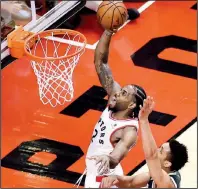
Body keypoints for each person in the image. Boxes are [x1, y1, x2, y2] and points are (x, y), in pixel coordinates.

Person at [75, 28, 147, 188]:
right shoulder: (114, 99)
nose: (116, 94)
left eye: (124, 93)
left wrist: (109, 159)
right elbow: (100, 62)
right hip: (96, 172)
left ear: (131, 105)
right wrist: (108, 31)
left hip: (105, 179)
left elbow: (118, 154)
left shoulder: (129, 131)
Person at [101, 96, 188, 188]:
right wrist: (115, 178)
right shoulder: (157, 174)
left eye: (161, 151)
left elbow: (152, 155)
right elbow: (130, 182)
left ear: (167, 163)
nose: (156, 150)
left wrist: (144, 120)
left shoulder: (167, 184)